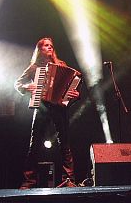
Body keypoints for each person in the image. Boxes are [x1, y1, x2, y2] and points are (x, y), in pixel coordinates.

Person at [15, 37, 80, 189]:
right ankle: (28, 181)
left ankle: (69, 179)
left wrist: (75, 94)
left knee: (65, 143)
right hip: (42, 106)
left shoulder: (61, 65)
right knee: (35, 144)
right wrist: (27, 87)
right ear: (40, 49)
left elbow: (73, 86)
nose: (50, 47)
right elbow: (18, 83)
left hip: (59, 107)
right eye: (46, 46)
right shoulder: (34, 67)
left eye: (51, 45)